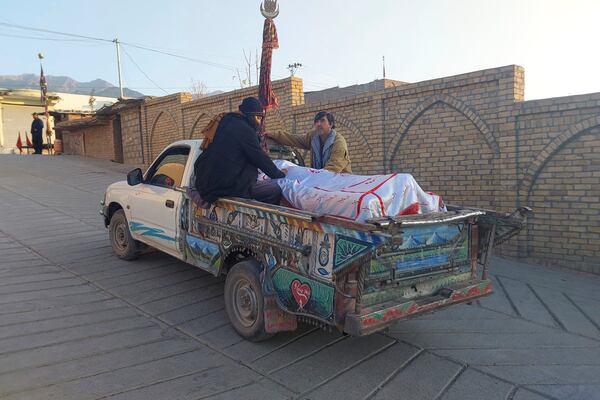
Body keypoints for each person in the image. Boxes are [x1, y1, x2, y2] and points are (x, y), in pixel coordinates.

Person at [192, 97, 286, 207]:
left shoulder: (225, 121)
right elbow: (259, 157)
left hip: (207, 182)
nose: (259, 122)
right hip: (227, 185)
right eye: (258, 118)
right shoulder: (245, 129)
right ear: (250, 115)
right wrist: (279, 175)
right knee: (274, 189)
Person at [265, 111, 352, 173]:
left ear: (331, 124)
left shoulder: (338, 142)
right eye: (316, 122)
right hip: (321, 181)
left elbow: (333, 169)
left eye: (322, 121)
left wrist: (310, 175)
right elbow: (294, 139)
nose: (318, 124)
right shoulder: (313, 137)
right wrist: (274, 135)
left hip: (340, 183)